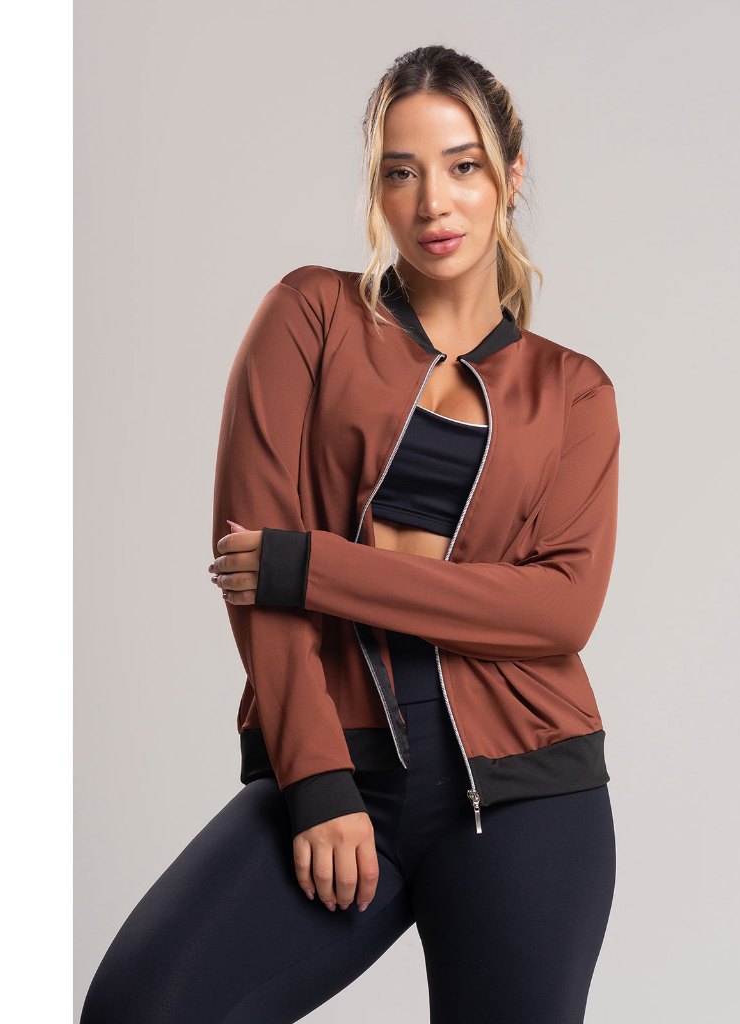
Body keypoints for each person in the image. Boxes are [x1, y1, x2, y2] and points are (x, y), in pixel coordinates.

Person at [80, 44, 619, 1024]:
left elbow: (558, 611)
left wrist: (315, 567)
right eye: (400, 172)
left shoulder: (573, 391)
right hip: (344, 763)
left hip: (530, 793)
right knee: (140, 1007)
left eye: (461, 166)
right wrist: (318, 780)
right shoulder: (310, 317)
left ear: (510, 176)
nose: (433, 202)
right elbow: (251, 566)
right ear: (375, 187)